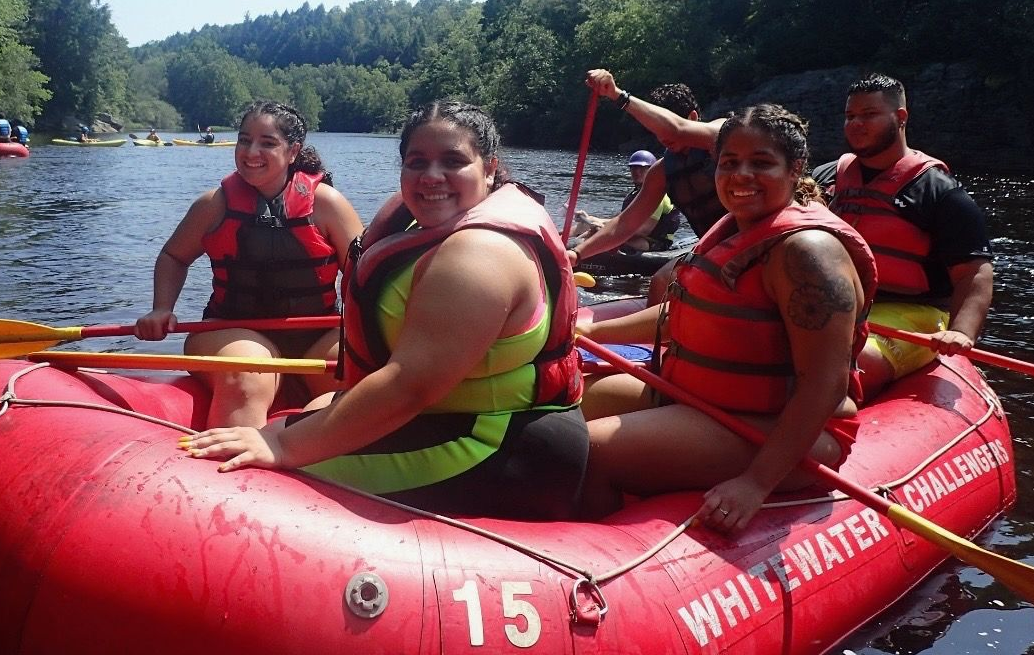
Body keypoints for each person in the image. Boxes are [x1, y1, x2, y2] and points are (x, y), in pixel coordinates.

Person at [178, 101, 590, 520]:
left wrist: (279, 446)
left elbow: (409, 386)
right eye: (417, 162)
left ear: (489, 168)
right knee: (289, 425)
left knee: (254, 481)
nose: (431, 176)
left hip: (495, 444)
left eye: (453, 161)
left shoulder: (478, 254)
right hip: (453, 419)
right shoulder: (430, 222)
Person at [576, 104, 877, 528]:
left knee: (588, 448)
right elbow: (683, 315)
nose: (741, 175)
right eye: (729, 163)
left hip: (778, 430)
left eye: (761, 163)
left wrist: (755, 483)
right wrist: (589, 331)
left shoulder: (808, 253)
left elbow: (825, 385)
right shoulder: (737, 228)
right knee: (566, 399)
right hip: (702, 400)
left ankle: (595, 543)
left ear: (795, 169)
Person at [135, 100, 363, 429]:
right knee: (251, 372)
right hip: (228, 331)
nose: (251, 151)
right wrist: (161, 309)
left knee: (355, 373)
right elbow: (174, 256)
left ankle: (314, 449)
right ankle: (235, 456)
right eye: (244, 140)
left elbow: (366, 275)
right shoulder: (213, 206)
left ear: (293, 151)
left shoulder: (327, 204)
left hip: (317, 334)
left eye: (267, 143)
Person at [811, 73, 994, 401]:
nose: (856, 124)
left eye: (869, 114)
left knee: (849, 364)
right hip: (836, 305)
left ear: (900, 117)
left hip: (912, 313)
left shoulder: (938, 192)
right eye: (850, 116)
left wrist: (960, 331)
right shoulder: (822, 179)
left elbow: (974, 272)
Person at [569, 70, 727, 304]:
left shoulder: (722, 136)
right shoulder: (661, 172)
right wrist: (577, 254)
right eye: (655, 129)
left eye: (661, 125)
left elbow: (675, 129)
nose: (662, 137)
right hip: (715, 247)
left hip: (754, 237)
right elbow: (624, 225)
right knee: (660, 282)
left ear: (693, 117)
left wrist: (616, 95)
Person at [569, 149, 683, 253]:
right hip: (636, 237)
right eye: (634, 168)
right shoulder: (635, 195)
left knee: (604, 235)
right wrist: (593, 220)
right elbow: (621, 221)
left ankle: (574, 251)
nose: (637, 172)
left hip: (653, 242)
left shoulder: (657, 197)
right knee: (586, 225)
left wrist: (604, 228)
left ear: (651, 170)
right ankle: (564, 241)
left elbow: (644, 230)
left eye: (642, 168)